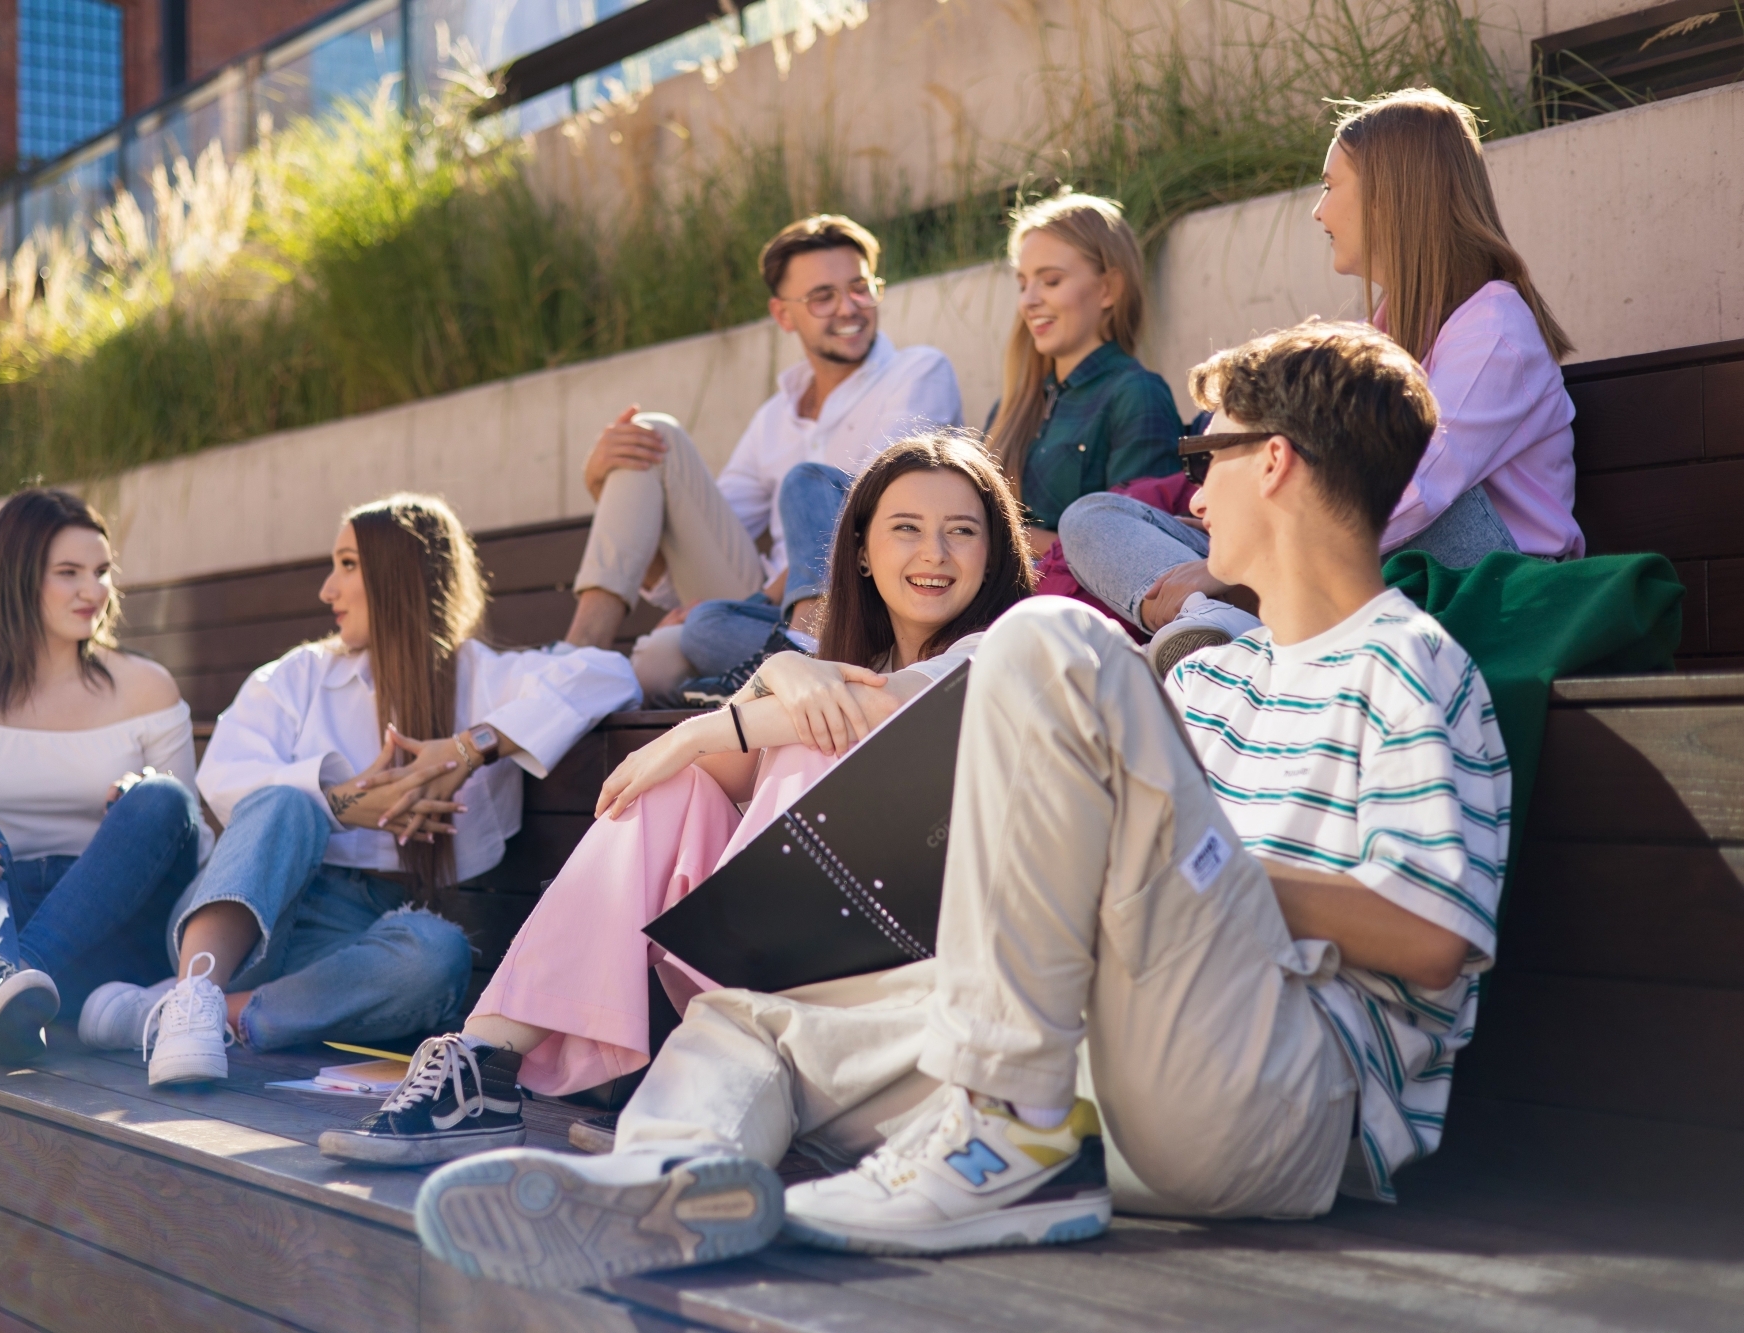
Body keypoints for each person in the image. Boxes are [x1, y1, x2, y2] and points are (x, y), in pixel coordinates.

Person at [410, 322, 1510, 1291]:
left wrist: (1149, 855)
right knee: (745, 1019)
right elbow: (1138, 882)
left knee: (1049, 636)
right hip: (1110, 1052)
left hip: (1284, 1094)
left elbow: (1428, 940)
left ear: (1271, 463)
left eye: (1205, 456)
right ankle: (669, 1186)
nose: (1193, 493)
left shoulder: (1404, 664)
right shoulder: (1215, 676)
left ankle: (1006, 1140)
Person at [313, 432, 1035, 1167]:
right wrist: (774, 676)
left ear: (994, 550)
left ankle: (704, 1082)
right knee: (673, 790)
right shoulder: (830, 668)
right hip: (795, 938)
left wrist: (706, 726)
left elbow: (887, 710)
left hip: (905, 941)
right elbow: (775, 735)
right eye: (906, 528)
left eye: (962, 532)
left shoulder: (1007, 645)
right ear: (859, 550)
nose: (934, 554)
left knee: (792, 740)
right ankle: (485, 1063)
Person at [76, 493, 642, 1086]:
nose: (328, 589)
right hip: (256, 913)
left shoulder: (483, 676)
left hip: (359, 939)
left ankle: (184, 1014)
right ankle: (196, 995)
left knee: (438, 956)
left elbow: (607, 672)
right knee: (286, 802)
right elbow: (223, 777)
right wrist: (340, 803)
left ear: (404, 575)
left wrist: (468, 748)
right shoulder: (300, 676)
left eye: (348, 565)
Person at [1062, 86, 1580, 673]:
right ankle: (1217, 624)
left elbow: (1413, 492)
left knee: (1393, 488)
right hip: (1359, 565)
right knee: (1094, 519)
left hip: (1479, 578)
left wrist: (1228, 561)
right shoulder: (1379, 332)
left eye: (1331, 186)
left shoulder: (1495, 328)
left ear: (1389, 196)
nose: (1319, 211)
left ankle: (1232, 617)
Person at [0, 489, 208, 1066]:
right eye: (69, 572)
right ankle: (1, 981)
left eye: (101, 572)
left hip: (113, 932)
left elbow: (192, 839)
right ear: (16, 577)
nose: (94, 590)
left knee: (162, 797)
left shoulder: (147, 686)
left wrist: (136, 805)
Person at [561, 214, 963, 698]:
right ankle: (579, 654)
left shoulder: (917, 372)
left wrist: (752, 602)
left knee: (661, 660)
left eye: (859, 288)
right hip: (769, 615)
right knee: (648, 439)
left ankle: (793, 653)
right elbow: (705, 542)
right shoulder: (773, 418)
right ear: (783, 315)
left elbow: (868, 518)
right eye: (822, 297)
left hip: (862, 607)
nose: (848, 308)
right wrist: (600, 485)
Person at [981, 191, 1182, 558]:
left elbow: (1138, 552)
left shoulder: (1137, 395)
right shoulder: (1009, 406)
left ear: (1108, 289)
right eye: (1023, 283)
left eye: (1051, 281)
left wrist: (1007, 538)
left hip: (1085, 613)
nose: (1028, 301)